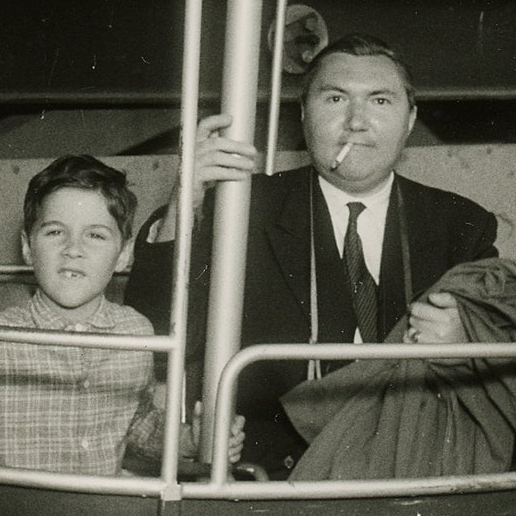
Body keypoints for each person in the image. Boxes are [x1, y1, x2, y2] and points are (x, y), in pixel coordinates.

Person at [125, 34, 498, 479]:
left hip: (416, 467)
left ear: (410, 118)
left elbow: (496, 373)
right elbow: (154, 334)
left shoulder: (462, 225)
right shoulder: (238, 207)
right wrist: (183, 202)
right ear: (304, 115)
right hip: (272, 476)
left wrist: (469, 340)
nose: (356, 122)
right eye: (335, 98)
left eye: (380, 101)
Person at [0, 155, 244, 475]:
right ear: (28, 248)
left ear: (124, 254)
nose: (74, 248)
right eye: (55, 232)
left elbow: (138, 425)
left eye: (96, 235)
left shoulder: (135, 331)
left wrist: (192, 441)